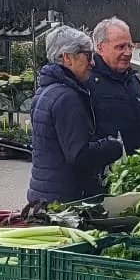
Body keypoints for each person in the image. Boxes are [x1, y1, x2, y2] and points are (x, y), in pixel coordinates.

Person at [26, 26, 125, 205]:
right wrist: (112, 146)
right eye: (88, 55)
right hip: (65, 201)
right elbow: (79, 155)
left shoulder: (45, 91)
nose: (93, 63)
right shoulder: (66, 97)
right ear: (67, 57)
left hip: (46, 194)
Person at [88, 17, 140, 152]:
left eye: (130, 46)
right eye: (120, 47)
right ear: (100, 48)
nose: (128, 53)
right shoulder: (88, 82)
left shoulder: (133, 80)